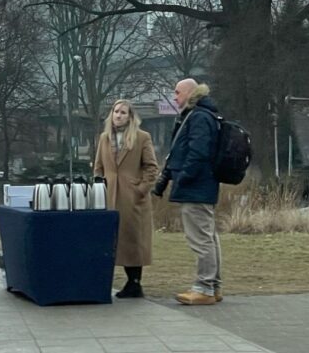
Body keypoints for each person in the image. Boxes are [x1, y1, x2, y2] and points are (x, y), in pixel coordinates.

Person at [152, 79, 223, 305]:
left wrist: (183, 177)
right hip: (202, 186)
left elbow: (197, 153)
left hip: (196, 187)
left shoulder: (199, 117)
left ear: (191, 93)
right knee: (209, 237)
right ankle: (213, 286)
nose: (174, 97)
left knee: (201, 239)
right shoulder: (202, 115)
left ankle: (204, 287)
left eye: (177, 92)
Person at [93, 99, 159, 298]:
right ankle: (103, 281)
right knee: (110, 240)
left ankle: (134, 283)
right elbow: (98, 166)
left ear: (130, 116)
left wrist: (140, 189)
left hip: (132, 198)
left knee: (133, 239)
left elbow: (152, 167)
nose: (118, 115)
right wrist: (98, 187)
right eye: (115, 111)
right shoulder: (104, 138)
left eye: (123, 112)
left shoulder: (141, 138)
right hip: (108, 196)